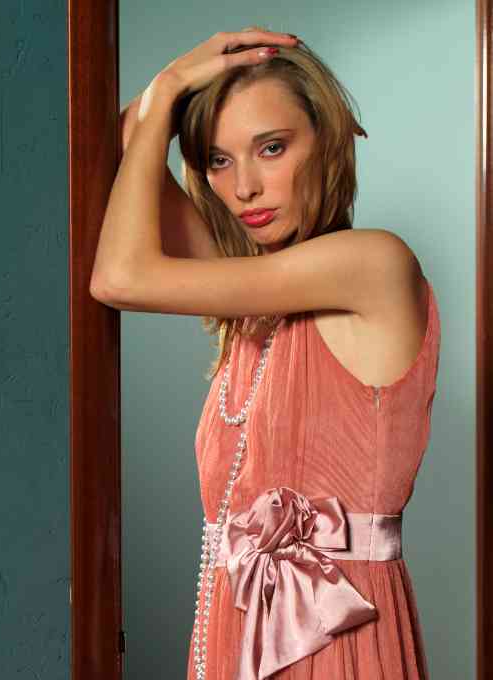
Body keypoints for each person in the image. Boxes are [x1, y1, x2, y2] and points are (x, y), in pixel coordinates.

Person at [90, 25, 441, 680]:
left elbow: (119, 277)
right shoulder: (254, 304)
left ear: (327, 140)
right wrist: (171, 86)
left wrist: (171, 84)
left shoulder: (374, 266)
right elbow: (116, 143)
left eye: (271, 147)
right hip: (232, 637)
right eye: (218, 160)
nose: (244, 186)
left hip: (338, 644)